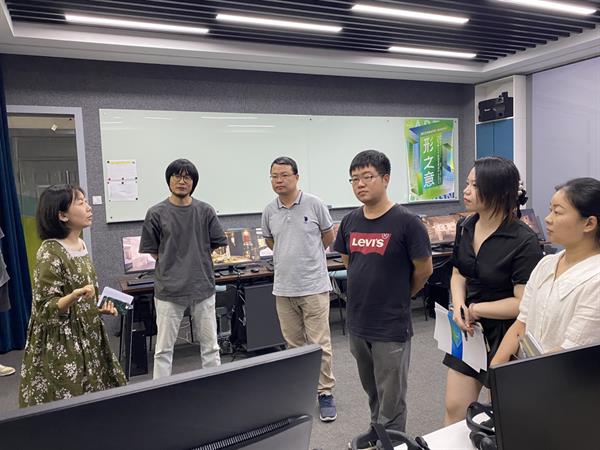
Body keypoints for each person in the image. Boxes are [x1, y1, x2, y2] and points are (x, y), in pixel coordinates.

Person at [333, 150, 433, 436]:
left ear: (386, 179)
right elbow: (349, 262)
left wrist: (401, 294)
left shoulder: (407, 222)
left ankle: (392, 440)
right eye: (354, 179)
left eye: (367, 177)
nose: (360, 184)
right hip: (358, 322)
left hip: (390, 323)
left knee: (392, 395)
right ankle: (377, 432)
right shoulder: (350, 221)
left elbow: (424, 270)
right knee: (372, 389)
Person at [443, 157, 543, 425]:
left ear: (498, 192)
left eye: (475, 185)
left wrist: (476, 309)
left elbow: (523, 303)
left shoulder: (523, 240)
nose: (466, 191)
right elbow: (458, 272)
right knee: (455, 408)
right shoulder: (465, 226)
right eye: (467, 183)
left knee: (502, 415)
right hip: (468, 328)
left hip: (507, 332)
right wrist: (459, 304)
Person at [19, 184, 126, 407]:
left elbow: (84, 296)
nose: (88, 207)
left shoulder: (80, 244)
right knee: (68, 400)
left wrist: (97, 308)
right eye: (80, 202)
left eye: (86, 201)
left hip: (88, 333)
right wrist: (74, 296)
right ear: (62, 215)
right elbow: (45, 308)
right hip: (63, 341)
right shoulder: (50, 252)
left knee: (97, 395)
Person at [261, 156, 337, 422]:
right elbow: (271, 242)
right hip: (284, 289)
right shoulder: (269, 210)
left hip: (313, 286)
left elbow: (328, 237)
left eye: (284, 175)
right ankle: (301, 394)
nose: (279, 180)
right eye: (274, 176)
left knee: (319, 344)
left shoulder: (315, 204)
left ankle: (325, 393)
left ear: (296, 177)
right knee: (293, 346)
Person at [492, 177, 600, 365]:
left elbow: (570, 350)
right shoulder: (547, 264)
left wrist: (516, 378)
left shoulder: (595, 280)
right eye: (551, 210)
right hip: (527, 370)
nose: (548, 219)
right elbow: (522, 323)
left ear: (589, 224)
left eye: (557, 212)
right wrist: (495, 371)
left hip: (561, 376)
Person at [140, 159, 227, 379]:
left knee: (211, 347)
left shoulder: (205, 211)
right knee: (163, 350)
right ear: (168, 180)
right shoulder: (156, 213)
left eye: (187, 177)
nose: (182, 181)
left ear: (193, 182)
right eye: (177, 176)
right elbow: (154, 250)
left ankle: (216, 387)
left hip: (202, 287)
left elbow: (215, 243)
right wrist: (174, 263)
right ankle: (161, 391)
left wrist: (195, 257)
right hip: (169, 290)